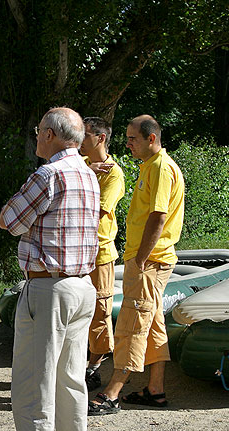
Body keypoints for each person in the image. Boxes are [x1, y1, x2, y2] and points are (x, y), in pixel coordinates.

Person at [0, 108, 99, 431]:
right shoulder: (89, 173)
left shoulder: (48, 174)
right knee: (71, 380)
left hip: (49, 287)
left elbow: (8, 220)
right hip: (82, 286)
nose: (36, 136)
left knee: (34, 380)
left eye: (39, 131)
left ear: (52, 135)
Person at [89, 115, 185, 415]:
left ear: (151, 139)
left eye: (133, 138)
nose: (128, 143)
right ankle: (155, 389)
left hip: (150, 261)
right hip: (148, 259)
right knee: (152, 322)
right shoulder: (152, 166)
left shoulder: (160, 168)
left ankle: (112, 393)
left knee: (132, 324)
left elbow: (158, 216)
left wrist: (141, 259)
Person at [79, 117, 125, 391]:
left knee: (100, 310)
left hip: (100, 253)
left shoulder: (113, 173)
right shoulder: (85, 165)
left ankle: (95, 366)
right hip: (77, 251)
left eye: (85, 136)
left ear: (100, 138)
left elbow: (97, 211)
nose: (80, 141)